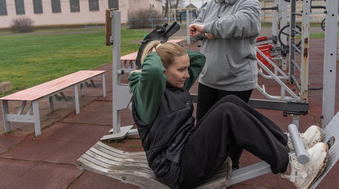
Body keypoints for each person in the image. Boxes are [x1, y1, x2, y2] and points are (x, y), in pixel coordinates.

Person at [128, 40, 328, 189]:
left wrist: (168, 50)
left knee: (229, 101)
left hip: (187, 153)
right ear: (162, 71)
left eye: (186, 69)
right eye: (181, 69)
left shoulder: (175, 85)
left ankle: (286, 143)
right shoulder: (146, 96)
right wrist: (155, 53)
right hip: (177, 169)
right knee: (227, 112)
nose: (188, 75)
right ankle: (293, 171)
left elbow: (199, 60)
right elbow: (152, 72)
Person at [188, 0, 261, 122]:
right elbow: (196, 24)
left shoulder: (249, 3)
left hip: (235, 81)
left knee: (229, 134)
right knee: (204, 128)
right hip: (209, 78)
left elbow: (240, 22)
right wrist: (207, 31)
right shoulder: (213, 3)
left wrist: (208, 27)